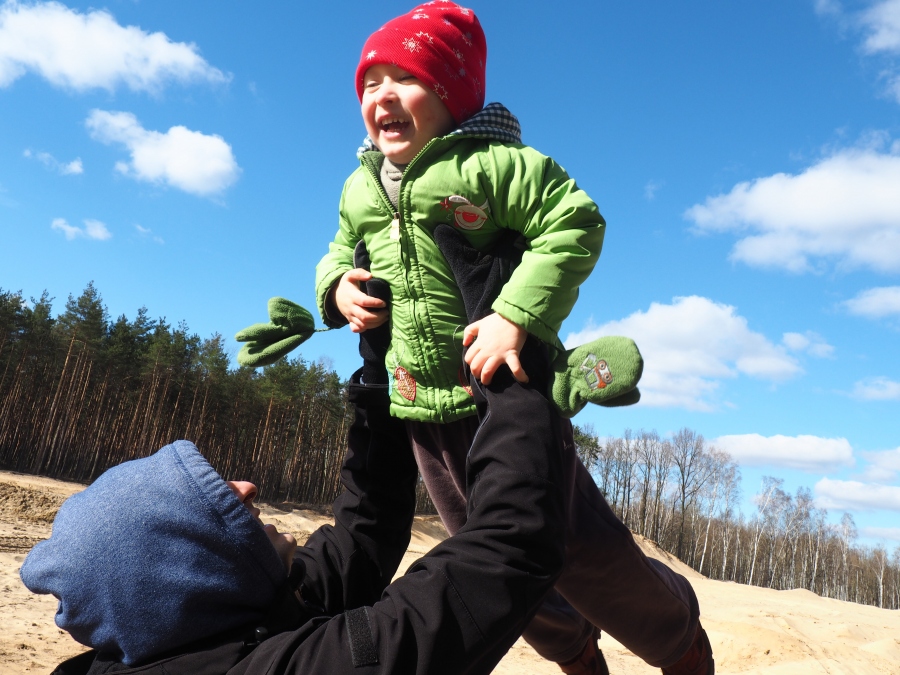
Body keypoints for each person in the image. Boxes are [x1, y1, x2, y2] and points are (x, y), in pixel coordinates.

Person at [314, 3, 713, 673]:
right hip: (422, 415)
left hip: (504, 400)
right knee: (492, 564)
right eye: (369, 82)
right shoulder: (359, 188)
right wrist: (336, 287)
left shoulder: (492, 163)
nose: (380, 95)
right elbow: (336, 249)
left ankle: (678, 642)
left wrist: (515, 314)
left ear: (451, 92)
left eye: (402, 78)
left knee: (582, 554)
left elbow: (575, 222)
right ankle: (577, 656)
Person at [20, 344, 570, 675]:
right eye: (216, 503)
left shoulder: (225, 620)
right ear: (188, 570)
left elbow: (366, 524)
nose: (246, 485)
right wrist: (513, 371)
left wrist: (379, 359)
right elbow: (507, 551)